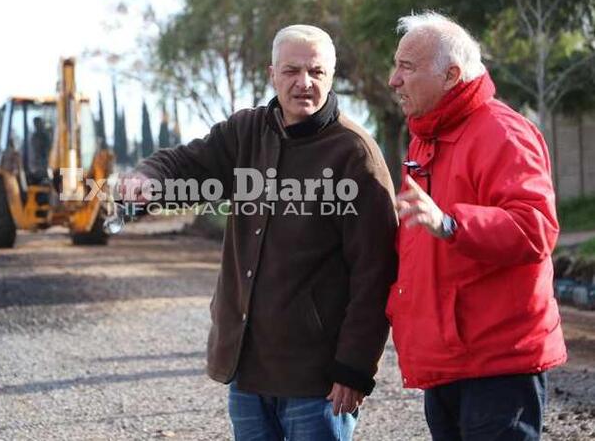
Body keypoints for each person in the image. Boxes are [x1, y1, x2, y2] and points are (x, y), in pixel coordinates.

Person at [120, 25, 398, 440]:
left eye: (316, 72)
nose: (304, 82)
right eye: (291, 71)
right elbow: (186, 164)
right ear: (272, 74)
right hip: (247, 371)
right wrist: (148, 176)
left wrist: (355, 368)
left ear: (331, 76)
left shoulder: (355, 154)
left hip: (316, 380)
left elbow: (376, 272)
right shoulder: (245, 132)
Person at [388, 11, 567, 440]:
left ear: (451, 76)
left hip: (498, 365)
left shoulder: (504, 132)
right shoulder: (424, 139)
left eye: (407, 68)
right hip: (447, 362)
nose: (394, 80)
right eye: (396, 66)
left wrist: (451, 223)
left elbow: (535, 228)